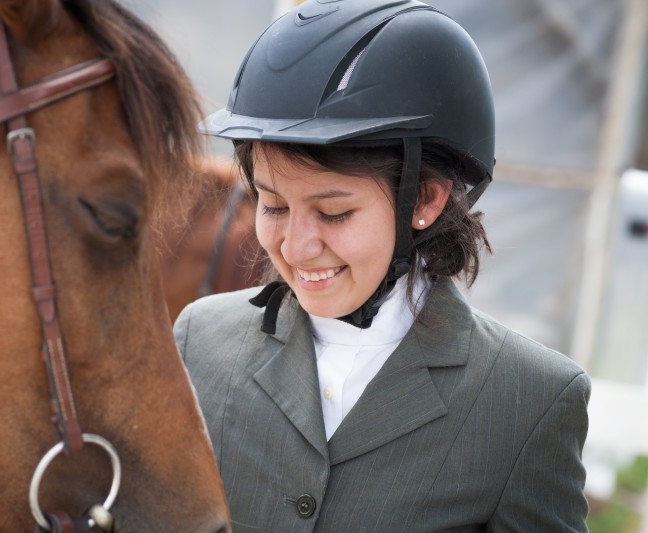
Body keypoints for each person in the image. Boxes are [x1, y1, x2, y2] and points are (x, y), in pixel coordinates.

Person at [174, 0, 591, 531]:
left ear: (425, 200)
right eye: (272, 205)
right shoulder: (199, 341)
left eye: (334, 212)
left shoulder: (529, 402)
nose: (297, 248)